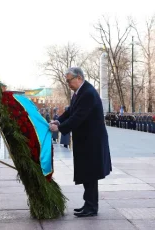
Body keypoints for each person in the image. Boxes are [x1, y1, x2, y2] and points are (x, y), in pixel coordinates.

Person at [49, 67, 112, 217]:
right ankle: (88, 204)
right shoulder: (80, 93)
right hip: (86, 140)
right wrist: (58, 121)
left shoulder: (88, 93)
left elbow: (78, 117)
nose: (68, 84)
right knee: (86, 173)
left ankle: (91, 207)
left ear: (79, 78)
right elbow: (71, 112)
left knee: (90, 174)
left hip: (92, 141)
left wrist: (59, 128)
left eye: (70, 80)